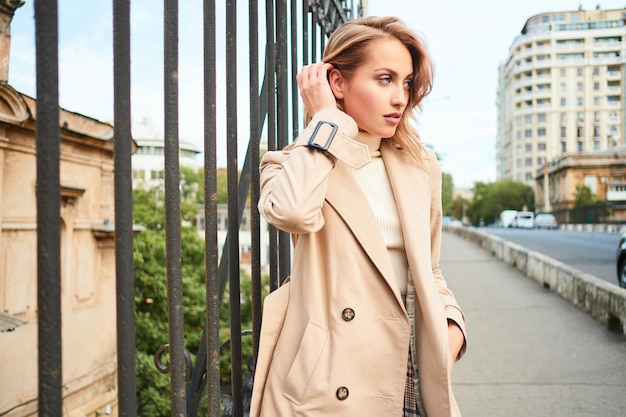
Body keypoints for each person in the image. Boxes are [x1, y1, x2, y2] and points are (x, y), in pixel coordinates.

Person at [250, 15, 467, 417]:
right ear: (337, 83)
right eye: (385, 79)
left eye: (405, 82)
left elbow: (430, 269)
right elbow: (294, 213)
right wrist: (326, 121)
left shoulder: (420, 166)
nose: (400, 97)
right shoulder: (292, 162)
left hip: (410, 372)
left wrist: (453, 325)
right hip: (331, 382)